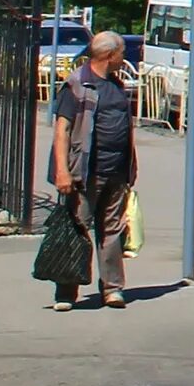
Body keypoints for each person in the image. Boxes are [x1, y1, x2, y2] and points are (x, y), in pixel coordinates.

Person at [47, 30, 137, 310]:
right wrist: (62, 170)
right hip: (84, 172)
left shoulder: (117, 85)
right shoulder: (77, 84)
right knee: (76, 228)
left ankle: (112, 289)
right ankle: (66, 292)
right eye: (121, 53)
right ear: (110, 56)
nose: (124, 58)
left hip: (115, 171)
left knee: (112, 230)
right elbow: (62, 129)